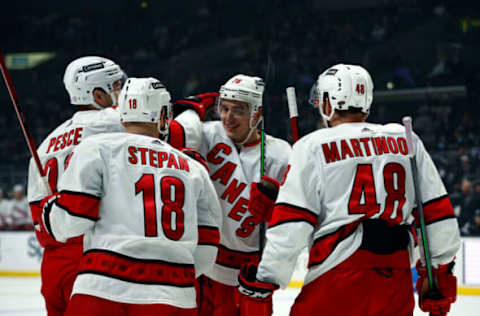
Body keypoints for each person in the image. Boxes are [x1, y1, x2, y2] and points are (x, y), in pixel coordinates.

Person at [237, 64, 461, 316]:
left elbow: (292, 224)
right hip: (394, 278)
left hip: (338, 275)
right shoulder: (404, 137)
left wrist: (266, 279)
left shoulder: (312, 145)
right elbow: (436, 213)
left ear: (327, 101)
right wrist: (440, 271)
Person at [41, 77, 222, 316]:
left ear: (123, 113)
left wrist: (51, 211)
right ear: (163, 114)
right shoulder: (193, 167)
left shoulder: (96, 148)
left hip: (103, 289)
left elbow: (72, 222)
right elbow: (207, 250)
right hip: (174, 295)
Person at [173, 74, 291, 315]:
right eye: (223, 108)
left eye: (238, 110)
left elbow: (296, 214)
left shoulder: (281, 154)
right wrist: (194, 107)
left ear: (256, 114)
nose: (228, 117)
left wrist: (274, 208)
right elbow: (171, 135)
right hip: (207, 264)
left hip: (251, 273)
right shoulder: (205, 135)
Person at [27, 56, 126, 315]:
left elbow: (39, 215)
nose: (123, 92)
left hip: (53, 266)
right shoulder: (117, 122)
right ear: (98, 94)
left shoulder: (45, 146)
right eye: (116, 86)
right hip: (95, 257)